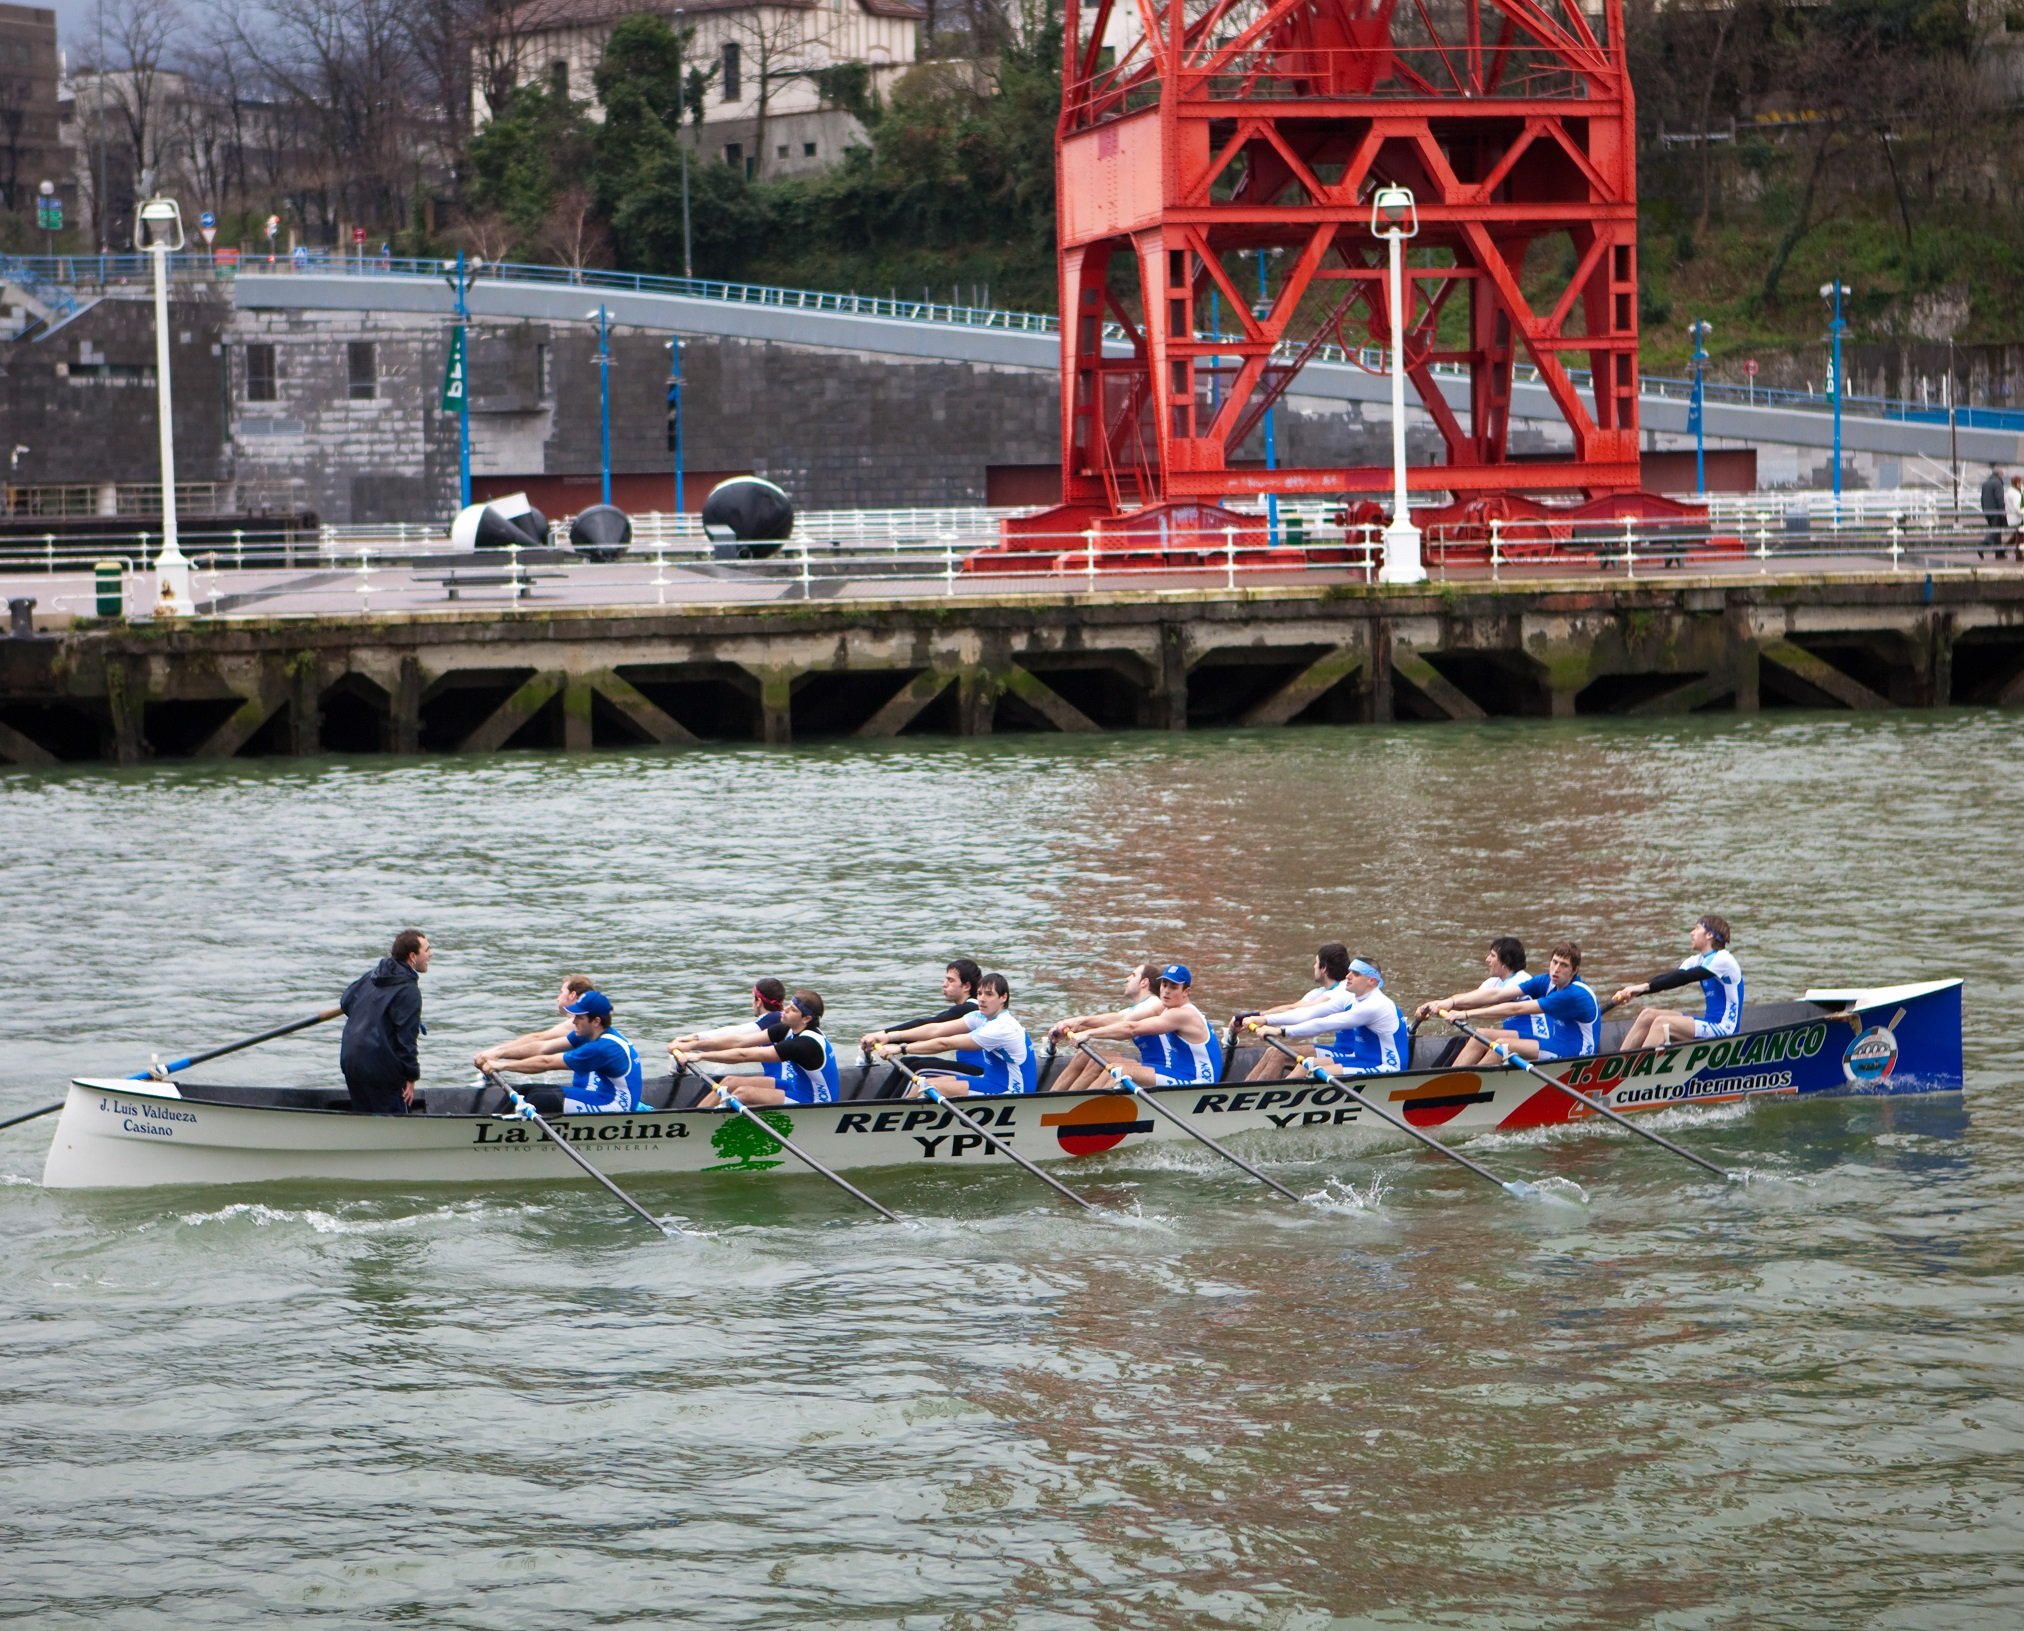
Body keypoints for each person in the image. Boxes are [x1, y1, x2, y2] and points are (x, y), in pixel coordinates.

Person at [878, 972, 1037, 1098]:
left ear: (1003, 997)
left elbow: (945, 1044)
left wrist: (901, 1049)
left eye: (989, 994)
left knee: (928, 1088)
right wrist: (890, 1036)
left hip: (1013, 1091)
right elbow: (936, 1029)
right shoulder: (980, 1017)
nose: (982, 999)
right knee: (923, 1084)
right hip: (990, 1080)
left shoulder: (1001, 1027)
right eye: (980, 993)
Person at [487, 990, 645, 1114]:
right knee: (525, 1090)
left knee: (536, 1098)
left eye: (579, 1017)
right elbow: (543, 1048)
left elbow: (547, 1063)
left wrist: (503, 1066)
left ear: (596, 1021)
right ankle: (492, 1123)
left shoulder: (602, 1048)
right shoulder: (591, 1034)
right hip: (603, 1095)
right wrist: (498, 1054)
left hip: (616, 1106)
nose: (573, 1021)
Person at [1444, 941, 1601, 1067]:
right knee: (1481, 1035)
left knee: (1502, 1045)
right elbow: (1498, 994)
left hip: (1576, 1054)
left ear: (1574, 971)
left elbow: (1516, 1008)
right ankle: (1449, 1083)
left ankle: (1470, 1090)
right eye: (1554, 962)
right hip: (1554, 1041)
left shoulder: (1573, 995)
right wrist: (1448, 1003)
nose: (1556, 969)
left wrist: (1466, 1014)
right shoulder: (1546, 981)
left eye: (1564, 965)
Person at [1071, 964, 1223, 1087]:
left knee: (1118, 1071)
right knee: (1113, 1068)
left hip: (1199, 1083)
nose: (1166, 991)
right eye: (1164, 985)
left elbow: (1132, 1028)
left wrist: (1089, 1034)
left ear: (1186, 991)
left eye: (1173, 987)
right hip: (1180, 1072)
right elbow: (1123, 1021)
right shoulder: (1170, 1010)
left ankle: (1076, 1116)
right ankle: (1072, 1109)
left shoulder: (1182, 1014)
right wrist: (1082, 1027)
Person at [685, 990, 842, 1108]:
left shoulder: (804, 1044)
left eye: (793, 1010)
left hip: (815, 1100)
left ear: (806, 1019)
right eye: (788, 1005)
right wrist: (693, 1045)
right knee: (729, 1082)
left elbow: (743, 1055)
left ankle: (702, 1132)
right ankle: (691, 1121)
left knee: (741, 1093)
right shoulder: (786, 1029)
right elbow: (740, 1041)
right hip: (797, 1087)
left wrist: (699, 1057)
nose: (785, 1010)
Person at [1252, 957, 1406, 1076]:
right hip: (1360, 1058)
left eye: (1355, 974)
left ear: (1371, 981)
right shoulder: (1350, 997)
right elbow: (1310, 1013)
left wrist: (1281, 1031)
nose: (1348, 976)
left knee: (1310, 1070)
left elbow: (1326, 1023)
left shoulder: (1375, 1005)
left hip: (1386, 1067)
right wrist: (1267, 1019)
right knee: (1306, 1064)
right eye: (1349, 971)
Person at [1612, 915, 1745, 1052]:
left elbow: (1683, 977)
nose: (1691, 933)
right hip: (1709, 1023)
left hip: (1725, 1029)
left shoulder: (1723, 959)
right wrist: (1635, 992)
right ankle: (1614, 1065)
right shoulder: (1697, 960)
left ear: (1709, 935)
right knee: (1648, 1015)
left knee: (1662, 1024)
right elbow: (1669, 978)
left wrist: (1642, 987)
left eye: (1697, 928)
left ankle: (1635, 1070)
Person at [338, 929, 431, 1114]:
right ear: (412, 956)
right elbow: (406, 1041)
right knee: (394, 1124)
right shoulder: (409, 992)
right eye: (427, 950)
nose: (431, 954)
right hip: (380, 1071)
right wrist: (411, 1077)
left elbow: (346, 1002)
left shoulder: (372, 976)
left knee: (364, 1120)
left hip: (351, 1061)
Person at [1043, 961, 1170, 1093]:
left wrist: (1079, 1021)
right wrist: (1071, 1028)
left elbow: (1121, 1021)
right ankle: (1051, 1100)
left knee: (1113, 1070)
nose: (1127, 978)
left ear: (1144, 982)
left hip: (1164, 1068)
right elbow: (1111, 1020)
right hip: (1148, 1064)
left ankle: (1075, 1108)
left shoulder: (1155, 1003)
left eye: (1133, 975)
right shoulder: (1138, 1008)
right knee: (1084, 1057)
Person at [1240, 942, 1352, 1081]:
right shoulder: (1320, 992)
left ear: (1323, 968)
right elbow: (1293, 1008)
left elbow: (1308, 1013)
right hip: (1338, 1049)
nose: (1313, 966)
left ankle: (1262, 1098)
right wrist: (1255, 1016)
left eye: (1316, 963)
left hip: (1350, 1054)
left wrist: (1266, 1021)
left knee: (1279, 1055)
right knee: (1272, 1051)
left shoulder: (1342, 991)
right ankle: (1245, 1091)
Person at [859, 957, 983, 1076]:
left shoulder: (971, 1009)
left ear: (966, 986)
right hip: (968, 1066)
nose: (944, 985)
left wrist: (885, 1035)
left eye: (950, 980)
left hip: (982, 1072)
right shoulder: (965, 1009)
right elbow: (927, 1029)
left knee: (919, 1067)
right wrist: (886, 1036)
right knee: (907, 1062)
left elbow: (930, 1026)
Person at [472, 973, 596, 1077]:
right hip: (592, 1082)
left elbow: (539, 1040)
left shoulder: (581, 1024)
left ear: (572, 995)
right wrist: (499, 1053)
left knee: (534, 1095)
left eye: (561, 992)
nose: (557, 998)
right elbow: (543, 1046)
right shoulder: (584, 1021)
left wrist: (497, 1053)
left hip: (600, 1089)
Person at [668, 978, 790, 1080]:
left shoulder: (774, 1020)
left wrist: (692, 1042)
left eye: (752, 998)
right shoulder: (780, 1019)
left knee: (729, 1083)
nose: (751, 1002)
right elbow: (733, 1035)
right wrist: (694, 1039)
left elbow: (735, 1037)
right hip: (778, 1082)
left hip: (783, 1088)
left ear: (758, 1001)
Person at [1414, 936, 1528, 1023]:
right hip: (1511, 1035)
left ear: (1506, 961)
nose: (1487, 959)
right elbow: (1466, 1001)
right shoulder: (1494, 982)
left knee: (1479, 1035)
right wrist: (1429, 1006)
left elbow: (1497, 1003)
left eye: (1492, 956)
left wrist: (1466, 1014)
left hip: (1530, 1039)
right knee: (1457, 1042)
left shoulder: (1521, 980)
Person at [1980, 466, 2006, 559]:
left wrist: (1984, 510)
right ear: (1999, 474)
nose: (2003, 475)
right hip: (1996, 511)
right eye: (2002, 473)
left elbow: (1982, 498)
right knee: (1995, 531)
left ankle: (1999, 554)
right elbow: (2000, 499)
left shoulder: (1985, 483)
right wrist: (2003, 511)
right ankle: (1981, 546)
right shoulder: (1998, 483)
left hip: (1987, 511)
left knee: (1996, 531)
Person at [2009, 475, 2023, 562]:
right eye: (2021, 482)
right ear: (2017, 483)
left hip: (2017, 518)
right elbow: (2018, 508)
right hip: (2019, 518)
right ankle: (2018, 554)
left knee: (2017, 536)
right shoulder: (2016, 494)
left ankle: (2004, 547)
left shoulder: (2015, 492)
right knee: (2019, 536)